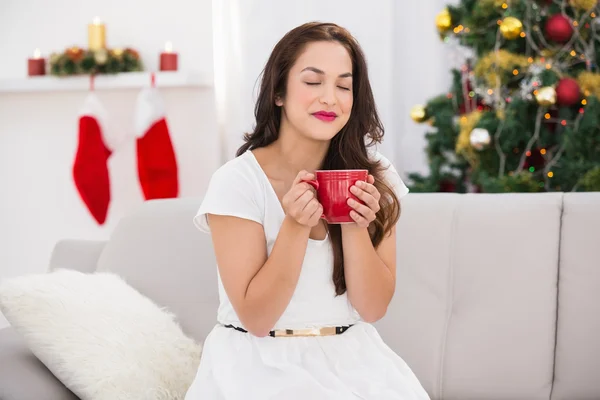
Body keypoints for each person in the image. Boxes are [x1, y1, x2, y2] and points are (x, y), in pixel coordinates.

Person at [185, 21, 430, 400]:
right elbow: (257, 318)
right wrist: (295, 226)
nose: (330, 98)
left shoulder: (375, 175)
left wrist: (354, 224)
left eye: (344, 86)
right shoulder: (238, 182)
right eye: (313, 82)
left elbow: (373, 307)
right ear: (279, 92)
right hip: (256, 366)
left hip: (354, 361)